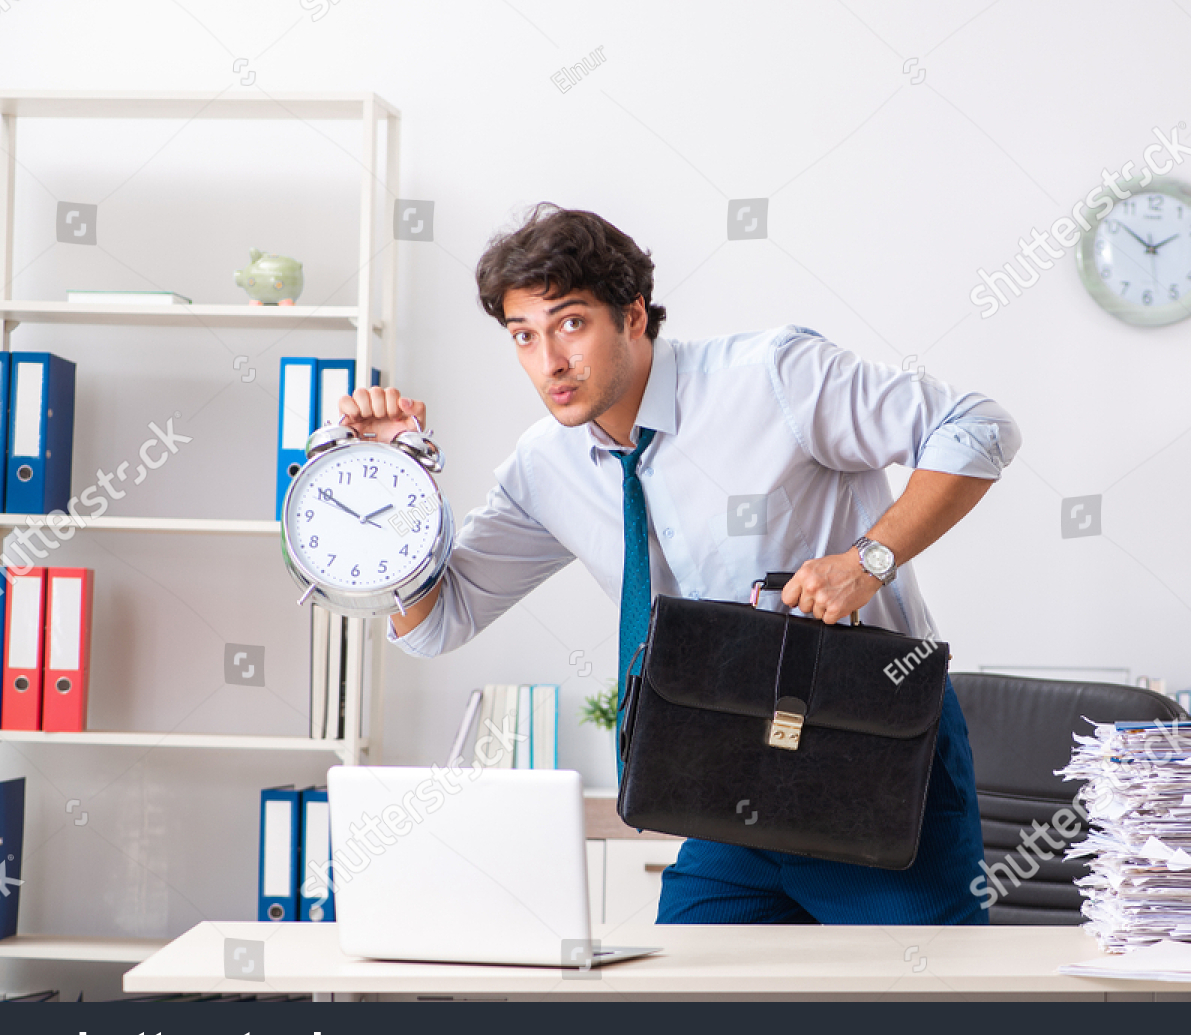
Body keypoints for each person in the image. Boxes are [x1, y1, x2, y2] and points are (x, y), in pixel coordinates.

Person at [340, 202, 1021, 925]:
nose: (550, 364)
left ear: (633, 315)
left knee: (921, 1008)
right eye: (523, 336)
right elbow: (435, 621)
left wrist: (868, 560)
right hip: (730, 775)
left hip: (873, 751)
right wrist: (393, 483)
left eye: (571, 324)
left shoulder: (774, 379)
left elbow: (979, 428)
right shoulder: (545, 466)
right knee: (672, 996)